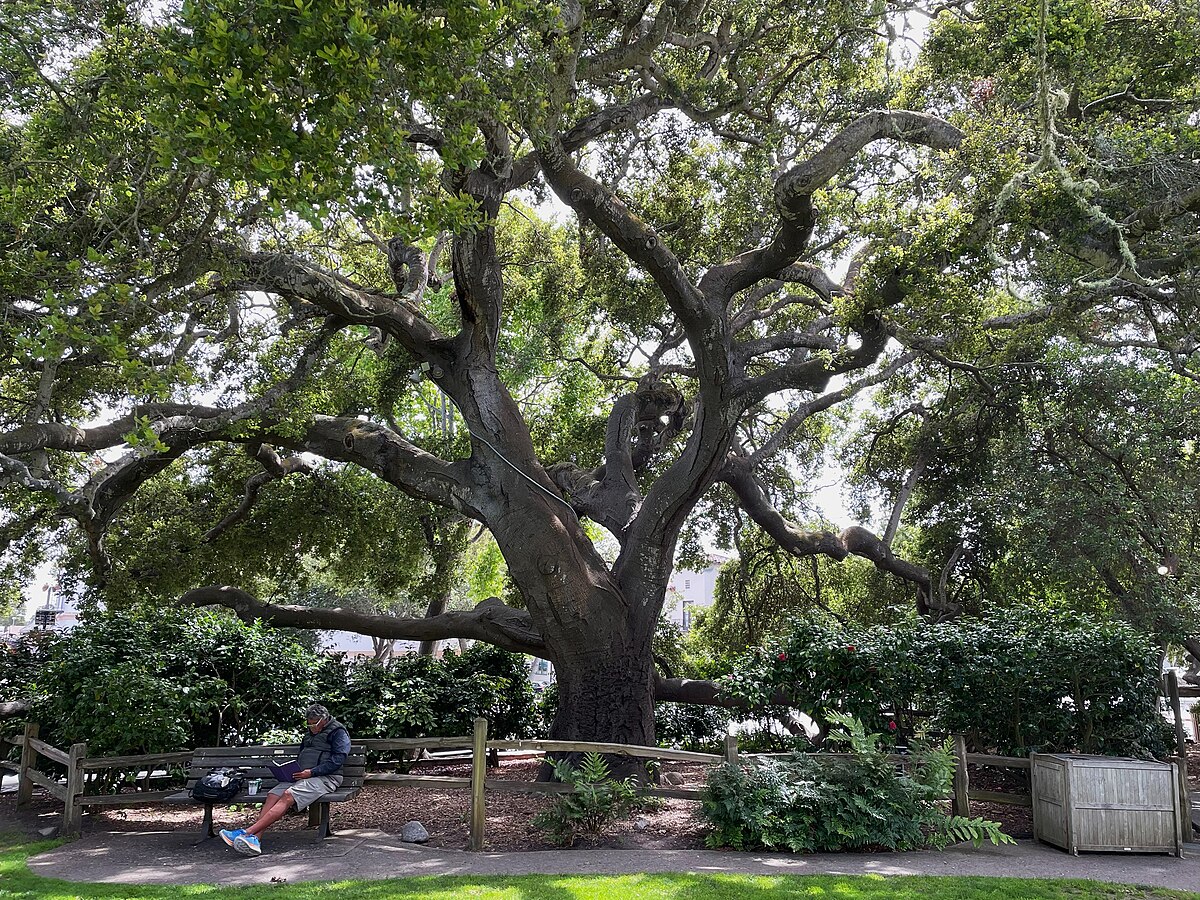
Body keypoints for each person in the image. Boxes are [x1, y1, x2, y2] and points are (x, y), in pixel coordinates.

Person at [219, 703, 351, 856]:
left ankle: (246, 833)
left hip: (326, 778)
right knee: (272, 795)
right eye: (308, 723)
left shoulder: (338, 732)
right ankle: (255, 839)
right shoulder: (309, 734)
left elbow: (338, 759)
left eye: (314, 723)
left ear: (324, 719)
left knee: (288, 795)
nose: (311, 726)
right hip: (303, 776)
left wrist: (312, 772)